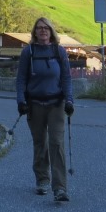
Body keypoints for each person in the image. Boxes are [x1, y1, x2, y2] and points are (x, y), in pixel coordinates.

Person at [15, 16, 74, 202]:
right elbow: (21, 79)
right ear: (35, 31)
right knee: (40, 143)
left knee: (56, 143)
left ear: (51, 31)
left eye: (46, 28)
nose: (42, 31)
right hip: (34, 104)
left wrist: (69, 100)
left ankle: (60, 188)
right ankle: (42, 180)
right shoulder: (28, 52)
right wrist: (21, 100)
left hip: (56, 104)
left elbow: (66, 78)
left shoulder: (59, 51)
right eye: (39, 28)